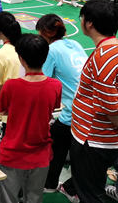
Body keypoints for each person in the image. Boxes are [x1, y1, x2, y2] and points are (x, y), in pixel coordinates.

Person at [61, 0, 118, 203]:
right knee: (93, 185)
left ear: (89, 23)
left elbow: (110, 107)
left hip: (93, 138)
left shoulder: (102, 59)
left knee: (89, 194)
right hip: (104, 137)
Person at [0, 34, 62, 203]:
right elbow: (53, 107)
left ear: (21, 58)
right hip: (40, 154)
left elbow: (2, 109)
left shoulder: (11, 86)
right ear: (45, 57)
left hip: (13, 153)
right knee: (34, 198)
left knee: (7, 199)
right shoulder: (55, 85)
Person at [34, 14, 87, 193]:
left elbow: (43, 83)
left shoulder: (51, 50)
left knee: (56, 141)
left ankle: (50, 184)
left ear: (45, 33)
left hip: (74, 110)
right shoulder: (75, 44)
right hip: (89, 106)